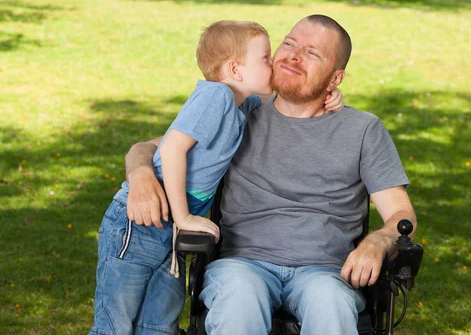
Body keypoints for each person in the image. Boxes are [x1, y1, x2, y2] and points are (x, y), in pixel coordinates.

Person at [124, 15, 417, 335]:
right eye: (289, 44)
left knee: (330, 302)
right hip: (242, 264)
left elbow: (402, 216)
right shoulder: (238, 110)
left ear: (335, 79)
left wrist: (379, 241)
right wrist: (141, 177)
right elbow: (151, 147)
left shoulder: (363, 130)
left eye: (312, 53)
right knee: (239, 298)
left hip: (325, 272)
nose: (294, 55)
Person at [89, 20, 344, 335]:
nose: (274, 64)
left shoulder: (241, 103)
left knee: (157, 326)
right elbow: (171, 151)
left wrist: (328, 95)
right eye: (265, 58)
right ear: (236, 70)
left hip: (169, 232)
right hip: (141, 222)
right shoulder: (216, 98)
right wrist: (183, 217)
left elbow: (289, 97)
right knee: (114, 326)